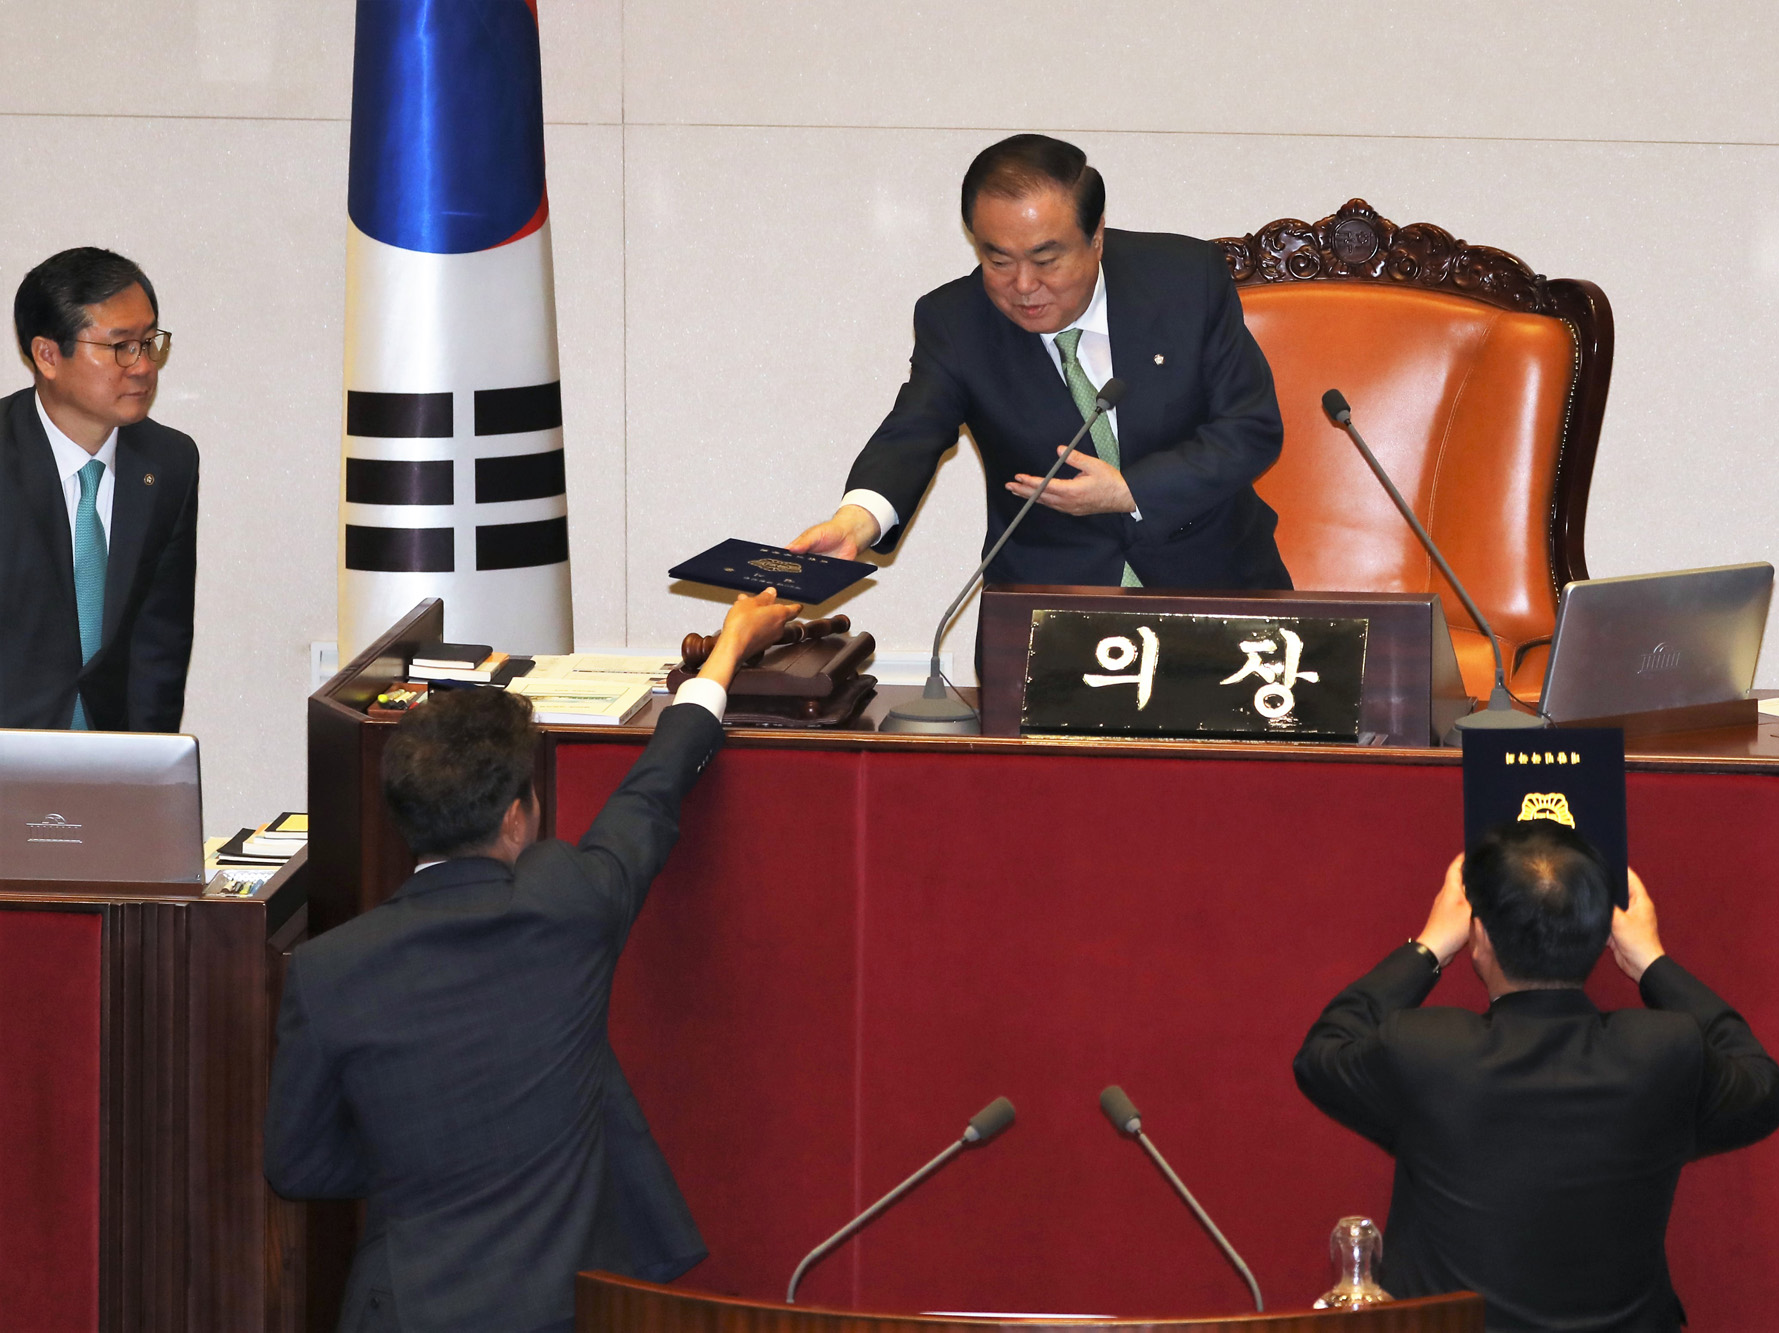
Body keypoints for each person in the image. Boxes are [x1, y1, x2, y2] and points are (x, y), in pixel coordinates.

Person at [264, 588, 800, 1333]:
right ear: (517, 816)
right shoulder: (564, 905)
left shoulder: (328, 968)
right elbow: (649, 797)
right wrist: (729, 648)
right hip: (566, 1309)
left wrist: (417, 1150)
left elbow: (297, 1166)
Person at [1292, 824, 1779, 1332]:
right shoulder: (1664, 1052)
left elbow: (1322, 1054)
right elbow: (1766, 1088)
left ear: (1479, 936)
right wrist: (1652, 963)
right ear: (1605, 936)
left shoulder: (1424, 1049)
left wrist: (1429, 948)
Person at [790, 133, 1290, 591]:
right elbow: (912, 432)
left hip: (1214, 580)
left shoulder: (1184, 280)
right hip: (1048, 597)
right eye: (998, 260)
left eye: (1046, 260)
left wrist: (1134, 491)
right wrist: (856, 521)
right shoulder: (956, 321)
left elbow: (1249, 428)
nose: (1024, 285)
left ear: (1096, 237)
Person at [2, 247, 196, 731]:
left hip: (113, 754)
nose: (143, 366)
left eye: (149, 342)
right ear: (48, 355)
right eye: (120, 346)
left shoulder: (169, 463)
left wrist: (144, 761)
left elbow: (161, 641)